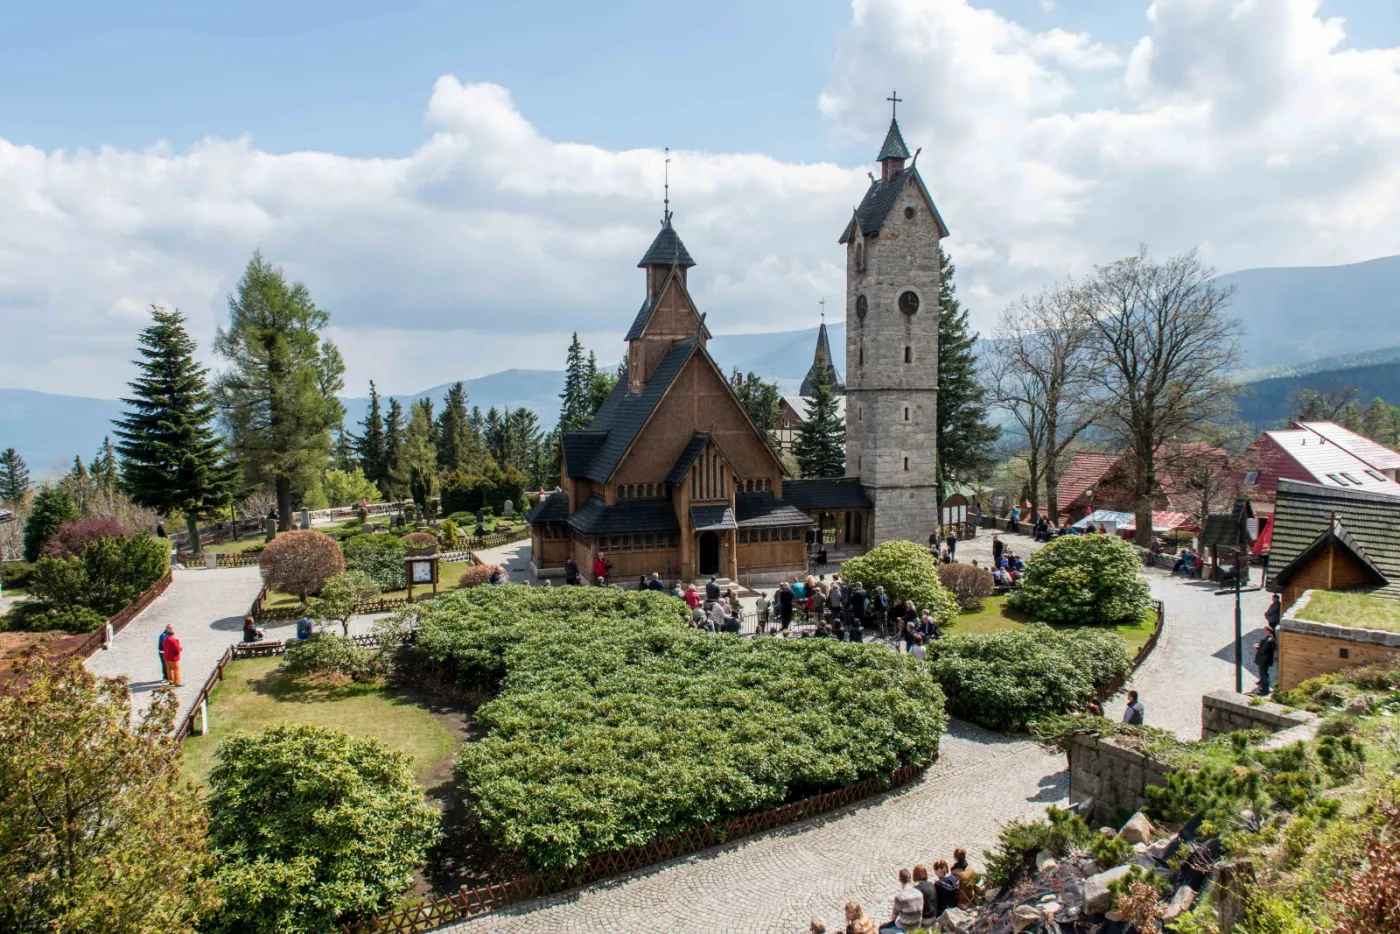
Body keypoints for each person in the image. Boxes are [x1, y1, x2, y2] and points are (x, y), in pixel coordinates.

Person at [880, 867, 924, 933]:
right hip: (917, 926)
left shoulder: (900, 897)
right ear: (910, 879)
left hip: (904, 929)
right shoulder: (919, 893)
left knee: (881, 929)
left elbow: (893, 917)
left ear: (900, 880)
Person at [1254, 625, 1277, 695]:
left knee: (1263, 674)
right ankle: (1263, 686)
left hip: (1264, 660)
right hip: (1265, 660)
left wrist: (1257, 647)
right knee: (1264, 674)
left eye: (1265, 630)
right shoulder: (1270, 639)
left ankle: (1265, 690)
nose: (1264, 631)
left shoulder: (1269, 640)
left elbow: (1264, 651)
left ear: (1269, 631)